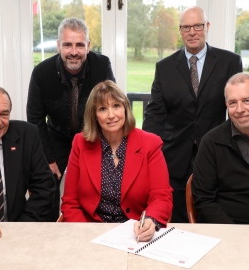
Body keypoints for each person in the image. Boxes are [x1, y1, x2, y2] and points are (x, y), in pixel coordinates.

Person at [142, 6, 243, 223]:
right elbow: (155, 113)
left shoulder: (230, 62)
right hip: (174, 156)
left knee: (211, 214)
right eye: (186, 27)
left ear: (207, 27)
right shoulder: (164, 67)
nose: (192, 32)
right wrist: (146, 152)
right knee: (177, 221)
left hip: (216, 153)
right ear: (180, 31)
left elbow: (237, 109)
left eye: (197, 26)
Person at [27, 17, 115, 221]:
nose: (73, 52)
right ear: (58, 46)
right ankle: (47, 231)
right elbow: (35, 118)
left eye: (79, 45)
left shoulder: (102, 65)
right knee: (47, 183)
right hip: (56, 135)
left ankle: (95, 227)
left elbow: (110, 104)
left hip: (91, 134)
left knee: (95, 183)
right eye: (67, 45)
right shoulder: (41, 72)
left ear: (88, 46)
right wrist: (49, 159)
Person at [61, 80, 172, 242]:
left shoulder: (150, 144)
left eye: (116, 106)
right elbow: (70, 202)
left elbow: (161, 197)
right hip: (91, 233)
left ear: (126, 108)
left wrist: (151, 221)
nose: (111, 115)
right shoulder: (80, 143)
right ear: (94, 115)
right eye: (103, 109)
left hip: (135, 235)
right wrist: (86, 235)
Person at [0, 85, 55, 240]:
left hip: (16, 233)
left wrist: (20, 229)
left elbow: (45, 187)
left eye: (4, 114)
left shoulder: (26, 134)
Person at [192, 73, 249, 224]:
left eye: (246, 101)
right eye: (232, 103)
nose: (240, 109)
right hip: (227, 229)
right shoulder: (211, 142)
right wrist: (234, 233)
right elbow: (203, 200)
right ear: (226, 105)